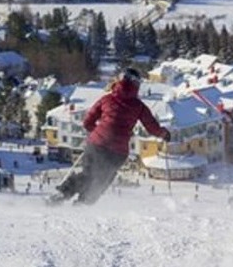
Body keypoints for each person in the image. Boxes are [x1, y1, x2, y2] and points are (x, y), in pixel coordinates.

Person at [48, 67, 170, 205]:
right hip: (117, 151)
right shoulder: (138, 106)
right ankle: (83, 204)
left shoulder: (107, 99)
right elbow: (152, 127)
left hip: (96, 144)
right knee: (103, 179)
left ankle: (62, 193)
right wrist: (164, 134)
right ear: (137, 85)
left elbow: (88, 122)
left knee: (88, 173)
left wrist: (98, 133)